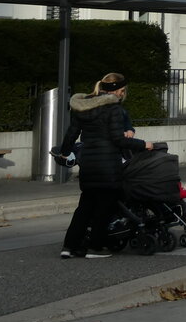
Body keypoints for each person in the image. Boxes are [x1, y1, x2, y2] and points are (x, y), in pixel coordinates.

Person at [57, 73, 150, 259]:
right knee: (104, 207)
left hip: (88, 163)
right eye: (122, 91)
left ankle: (69, 246)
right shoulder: (113, 108)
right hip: (108, 164)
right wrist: (144, 145)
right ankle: (96, 247)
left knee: (84, 206)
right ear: (118, 90)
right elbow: (118, 139)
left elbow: (71, 134)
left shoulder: (83, 107)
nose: (122, 94)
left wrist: (65, 152)